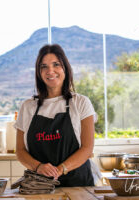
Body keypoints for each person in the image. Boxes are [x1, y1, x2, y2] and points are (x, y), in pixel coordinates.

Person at [14, 44, 97, 187]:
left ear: (65, 68)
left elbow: (87, 148)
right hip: (40, 188)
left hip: (78, 186)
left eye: (56, 64)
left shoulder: (80, 103)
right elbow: (20, 151)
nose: (50, 71)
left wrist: (59, 170)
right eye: (44, 66)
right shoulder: (28, 107)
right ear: (39, 73)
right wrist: (39, 167)